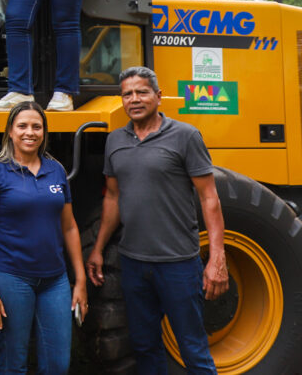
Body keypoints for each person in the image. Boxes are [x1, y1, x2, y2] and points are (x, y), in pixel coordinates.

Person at [85, 66, 228, 374]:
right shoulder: (115, 140)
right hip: (134, 264)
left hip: (178, 264)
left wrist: (217, 257)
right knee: (144, 346)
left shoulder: (185, 136)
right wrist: (97, 248)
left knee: (193, 349)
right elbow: (113, 198)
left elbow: (209, 198)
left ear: (158, 96)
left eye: (142, 92)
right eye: (127, 94)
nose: (134, 99)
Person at [0, 101, 88, 375]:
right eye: (22, 126)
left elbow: (69, 227)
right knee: (14, 364)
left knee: (58, 365)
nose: (30, 132)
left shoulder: (56, 170)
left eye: (37, 126)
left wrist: (80, 280)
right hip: (12, 278)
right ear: (10, 132)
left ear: (44, 132)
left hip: (55, 280)